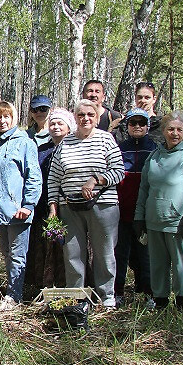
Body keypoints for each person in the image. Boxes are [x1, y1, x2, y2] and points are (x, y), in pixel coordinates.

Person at [47, 99, 125, 308]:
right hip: (70, 206)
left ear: (97, 118)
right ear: (75, 118)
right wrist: (53, 207)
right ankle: (77, 297)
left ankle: (106, 296)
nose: (85, 118)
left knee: (104, 252)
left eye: (90, 114)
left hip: (103, 206)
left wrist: (97, 179)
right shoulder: (65, 143)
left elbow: (119, 171)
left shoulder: (106, 140)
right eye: (81, 115)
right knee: (73, 254)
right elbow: (54, 178)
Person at [135, 112, 183, 311]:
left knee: (180, 264)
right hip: (154, 220)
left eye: (179, 129)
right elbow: (144, 189)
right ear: (163, 131)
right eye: (170, 129)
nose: (174, 133)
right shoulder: (154, 156)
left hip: (179, 222)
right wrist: (139, 217)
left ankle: (181, 302)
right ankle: (160, 301)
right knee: (157, 264)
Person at [0, 101, 42, 311]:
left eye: (6, 117)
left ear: (13, 118)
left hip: (17, 210)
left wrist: (28, 205)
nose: (2, 121)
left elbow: (34, 176)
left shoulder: (24, 143)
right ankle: (11, 289)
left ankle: (14, 296)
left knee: (17, 254)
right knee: (6, 253)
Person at [23, 107, 75, 295]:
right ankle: (42, 284)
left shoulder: (73, 147)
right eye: (52, 123)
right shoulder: (41, 149)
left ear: (69, 127)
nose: (55, 126)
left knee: (66, 246)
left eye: (60, 123)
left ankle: (66, 284)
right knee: (43, 245)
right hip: (43, 204)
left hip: (70, 205)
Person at [113, 108, 156, 308]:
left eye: (141, 123)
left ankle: (150, 293)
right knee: (120, 254)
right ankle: (118, 292)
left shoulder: (155, 150)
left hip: (145, 213)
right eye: (133, 123)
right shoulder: (120, 148)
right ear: (127, 126)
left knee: (146, 255)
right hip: (121, 211)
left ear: (147, 126)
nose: (137, 127)